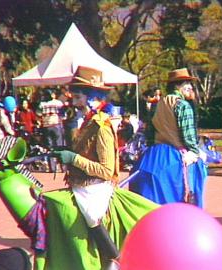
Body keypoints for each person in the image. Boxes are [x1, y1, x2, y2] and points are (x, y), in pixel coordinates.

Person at [51, 76, 158, 269]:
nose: (73, 101)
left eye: (78, 96)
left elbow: (107, 170)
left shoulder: (102, 127)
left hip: (95, 187)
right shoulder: (84, 122)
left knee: (91, 214)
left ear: (91, 97)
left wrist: (73, 159)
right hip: (78, 184)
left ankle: (114, 259)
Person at [129, 68, 208, 207]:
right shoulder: (183, 105)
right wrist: (195, 153)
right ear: (177, 86)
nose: (189, 87)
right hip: (176, 155)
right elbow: (189, 136)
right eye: (186, 83)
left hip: (155, 154)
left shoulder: (158, 104)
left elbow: (150, 132)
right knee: (187, 195)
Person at [37, 89, 65, 171]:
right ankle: (62, 167)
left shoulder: (42, 104)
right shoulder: (58, 103)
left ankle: (52, 168)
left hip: (46, 126)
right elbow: (63, 115)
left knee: (50, 147)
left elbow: (38, 114)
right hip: (56, 125)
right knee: (59, 146)